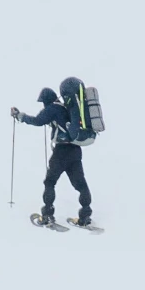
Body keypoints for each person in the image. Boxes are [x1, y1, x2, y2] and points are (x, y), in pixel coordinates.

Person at [11, 78, 95, 226]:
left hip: (61, 152)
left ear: (46, 100)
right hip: (75, 150)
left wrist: (20, 116)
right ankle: (85, 216)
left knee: (49, 182)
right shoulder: (66, 107)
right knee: (80, 183)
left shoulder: (52, 108)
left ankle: (47, 215)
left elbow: (37, 120)